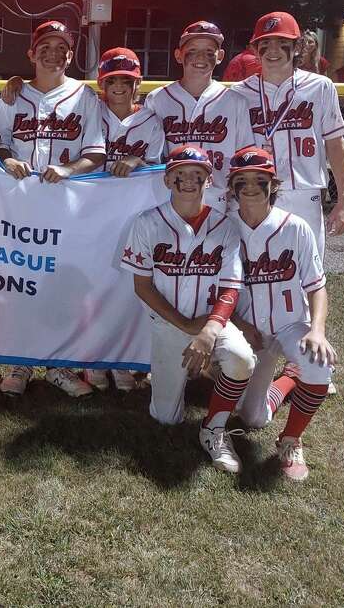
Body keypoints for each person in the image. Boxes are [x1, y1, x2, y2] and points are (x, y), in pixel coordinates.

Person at [0, 20, 106, 399]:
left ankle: (58, 364)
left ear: (71, 56)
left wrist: (70, 170)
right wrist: (6, 159)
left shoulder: (85, 97)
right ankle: (20, 362)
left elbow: (97, 152)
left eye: (61, 48)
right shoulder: (12, 95)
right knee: (19, 283)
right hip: (20, 205)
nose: (53, 53)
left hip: (66, 206)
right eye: (45, 46)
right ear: (31, 52)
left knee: (63, 287)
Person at [120, 145, 254, 473]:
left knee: (242, 359)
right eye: (180, 174)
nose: (189, 181)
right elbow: (142, 286)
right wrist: (184, 325)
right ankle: (190, 373)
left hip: (212, 321)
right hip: (169, 324)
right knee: (165, 418)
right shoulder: (147, 223)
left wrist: (208, 331)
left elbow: (230, 288)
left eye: (198, 175)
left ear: (209, 181)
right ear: (167, 180)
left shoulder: (225, 226)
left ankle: (214, 429)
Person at [226, 146, 337, 482]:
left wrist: (316, 331)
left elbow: (317, 286)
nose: (249, 187)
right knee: (252, 418)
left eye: (258, 180)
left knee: (319, 367)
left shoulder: (296, 227)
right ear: (232, 186)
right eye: (241, 181)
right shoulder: (224, 229)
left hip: (290, 325)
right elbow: (215, 293)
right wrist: (240, 324)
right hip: (251, 333)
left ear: (271, 183)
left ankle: (290, 439)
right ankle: (289, 378)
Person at [232, 11, 344, 256]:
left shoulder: (320, 86)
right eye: (265, 43)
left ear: (298, 47)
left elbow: (335, 143)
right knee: (254, 269)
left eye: (282, 44)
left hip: (303, 192)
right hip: (252, 191)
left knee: (306, 269)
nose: (273, 51)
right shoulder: (238, 93)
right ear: (255, 49)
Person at [119, 20, 255, 211]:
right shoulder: (158, 99)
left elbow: (243, 159)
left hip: (219, 201)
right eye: (192, 50)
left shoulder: (235, 101)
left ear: (220, 56)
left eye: (209, 51)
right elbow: (151, 157)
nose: (201, 57)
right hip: (167, 199)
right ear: (178, 55)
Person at [88, 47, 163, 393]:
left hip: (132, 213)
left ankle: (120, 359)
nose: (119, 86)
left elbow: (156, 169)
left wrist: (137, 161)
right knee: (92, 288)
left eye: (126, 80)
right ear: (102, 82)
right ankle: (92, 359)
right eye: (112, 79)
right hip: (90, 212)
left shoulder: (150, 120)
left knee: (124, 288)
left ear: (138, 84)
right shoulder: (89, 109)